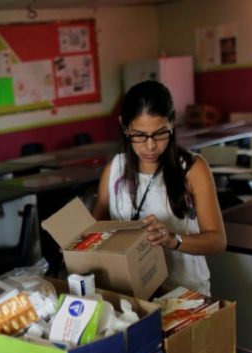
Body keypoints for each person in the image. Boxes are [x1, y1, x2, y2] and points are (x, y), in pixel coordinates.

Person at [92, 81, 226, 295]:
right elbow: (94, 231)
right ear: (124, 127)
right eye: (139, 135)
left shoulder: (192, 168)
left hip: (185, 294)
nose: (150, 145)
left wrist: (172, 239)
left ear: (172, 122)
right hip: (132, 293)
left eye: (160, 133)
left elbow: (217, 241)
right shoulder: (115, 169)